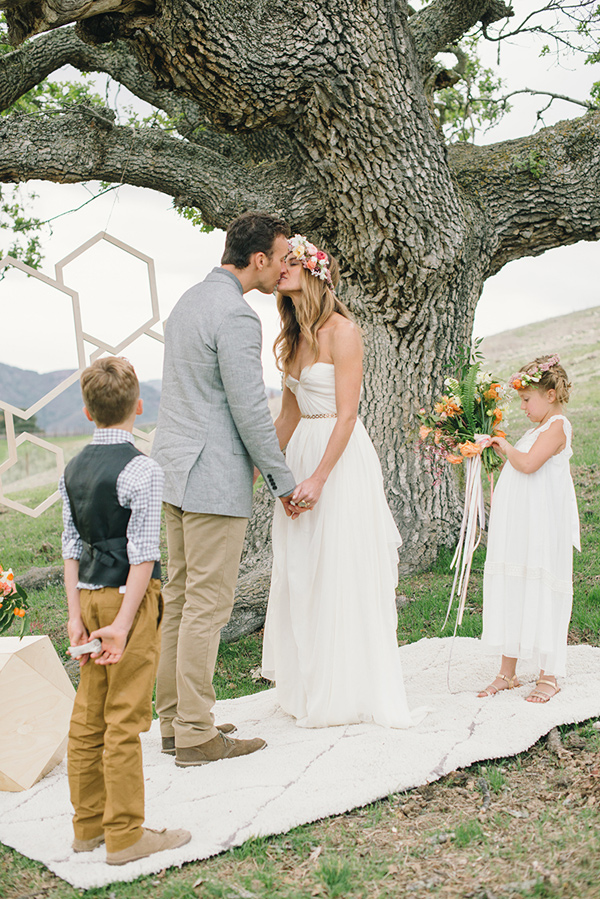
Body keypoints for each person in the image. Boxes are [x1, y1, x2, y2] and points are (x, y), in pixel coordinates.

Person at [152, 211, 302, 766]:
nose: (284, 267)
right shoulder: (237, 315)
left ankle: (174, 723)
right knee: (207, 606)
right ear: (258, 259)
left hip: (174, 472)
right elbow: (250, 411)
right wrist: (282, 481)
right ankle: (197, 732)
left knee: (180, 599)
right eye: (281, 257)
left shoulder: (189, 300)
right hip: (212, 477)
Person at [261, 234, 423, 728]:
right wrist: (270, 470)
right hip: (301, 454)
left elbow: (348, 415)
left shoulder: (343, 331)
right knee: (301, 570)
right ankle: (309, 686)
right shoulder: (292, 338)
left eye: (291, 262)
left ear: (313, 272)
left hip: (338, 460)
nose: (281, 268)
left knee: (339, 567)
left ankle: (349, 688)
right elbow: (287, 417)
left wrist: (318, 478)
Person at [60, 357, 191, 866]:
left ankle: (87, 828)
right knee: (124, 719)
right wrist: (123, 624)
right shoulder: (143, 469)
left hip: (88, 597)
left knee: (88, 715)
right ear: (138, 407)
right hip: (126, 604)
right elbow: (143, 555)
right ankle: (125, 835)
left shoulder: (72, 468)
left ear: (88, 412)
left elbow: (71, 546)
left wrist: (76, 615)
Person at [478, 354, 580, 703]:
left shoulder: (557, 427)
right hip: (522, 524)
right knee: (514, 584)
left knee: (541, 586)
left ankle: (548, 674)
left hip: (542, 526)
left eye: (526, 399)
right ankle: (507, 672)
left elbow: (528, 464)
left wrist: (504, 444)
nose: (522, 407)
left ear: (550, 395)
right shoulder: (538, 428)